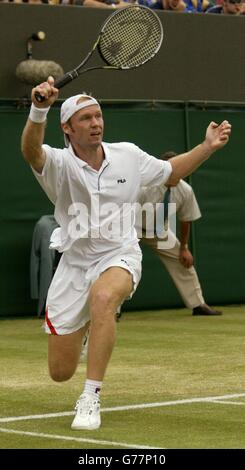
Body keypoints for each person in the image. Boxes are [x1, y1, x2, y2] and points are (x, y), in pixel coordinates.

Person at [21, 76, 231, 430]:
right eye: (86, 119)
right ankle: (86, 327)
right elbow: (31, 151)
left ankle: (90, 396)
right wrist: (38, 110)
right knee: (59, 372)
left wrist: (207, 146)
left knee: (104, 298)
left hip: (119, 253)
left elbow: (171, 172)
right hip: (73, 263)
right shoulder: (57, 164)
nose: (96, 123)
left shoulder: (128, 156)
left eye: (98, 116)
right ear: (67, 128)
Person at [137, 150, 222, 316]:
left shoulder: (186, 190)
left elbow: (185, 219)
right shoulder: (144, 186)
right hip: (132, 227)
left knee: (182, 260)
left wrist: (184, 247)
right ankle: (114, 310)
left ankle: (198, 305)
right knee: (122, 264)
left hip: (159, 230)